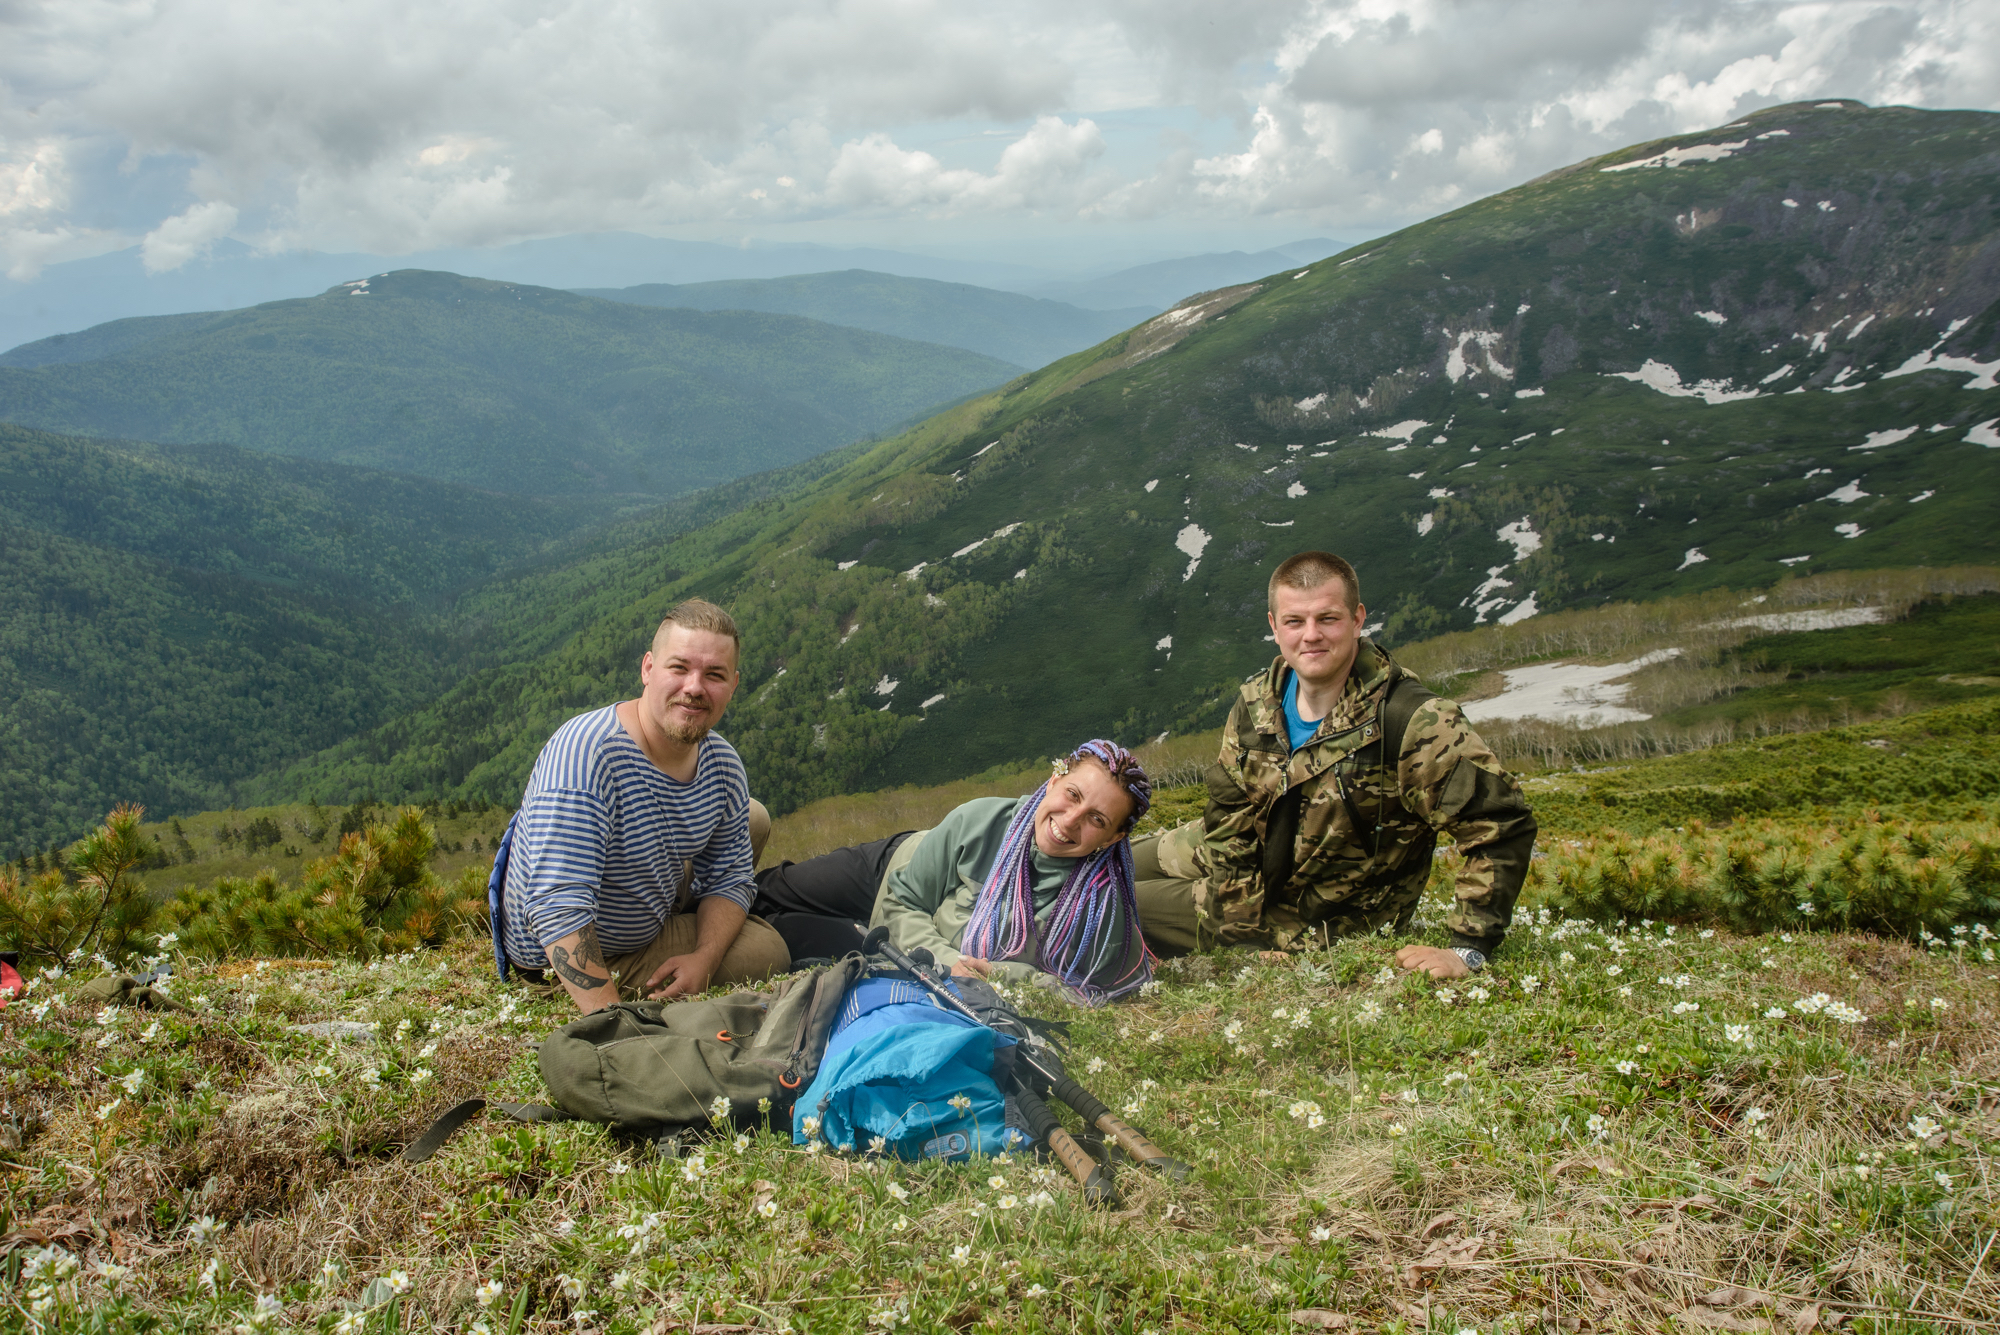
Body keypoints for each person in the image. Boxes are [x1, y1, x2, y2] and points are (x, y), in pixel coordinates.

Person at [1132, 551, 1536, 978]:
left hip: (1312, 915)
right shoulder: (1258, 702)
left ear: (1358, 619)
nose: (1311, 636)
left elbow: (1500, 823)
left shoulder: (1413, 721)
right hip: (1238, 866)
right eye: (1294, 622)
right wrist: (1238, 921)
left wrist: (1469, 947)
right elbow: (1230, 815)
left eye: (1328, 619)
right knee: (1100, 861)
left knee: (1098, 898)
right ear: (1274, 626)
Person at [495, 598, 789, 1013]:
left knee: (752, 816)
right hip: (563, 959)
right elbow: (558, 908)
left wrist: (704, 960)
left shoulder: (720, 762)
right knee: (767, 948)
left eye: (714, 675)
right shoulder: (588, 754)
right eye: (679, 667)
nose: (694, 687)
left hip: (638, 897)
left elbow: (731, 875)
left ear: (734, 685)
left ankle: (687, 926)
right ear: (648, 668)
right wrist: (613, 1023)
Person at [748, 740, 1155, 1004]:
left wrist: (1003, 974)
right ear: (1053, 780)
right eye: (1072, 795)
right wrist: (949, 962)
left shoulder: (1100, 911)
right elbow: (903, 898)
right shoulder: (979, 820)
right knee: (769, 891)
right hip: (898, 867)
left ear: (1114, 838)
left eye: (1096, 819)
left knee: (783, 933)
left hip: (903, 941)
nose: (1069, 821)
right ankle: (697, 898)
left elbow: (1088, 993)